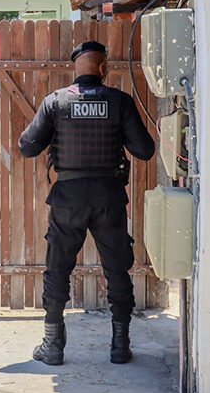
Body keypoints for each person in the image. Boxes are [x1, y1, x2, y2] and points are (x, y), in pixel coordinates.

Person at [18, 40, 155, 365]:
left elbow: (26, 146)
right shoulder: (119, 102)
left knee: (57, 270)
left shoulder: (56, 102)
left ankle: (53, 345)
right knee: (117, 270)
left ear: (75, 66)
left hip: (68, 199)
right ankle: (120, 346)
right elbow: (145, 150)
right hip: (109, 198)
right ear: (103, 66)